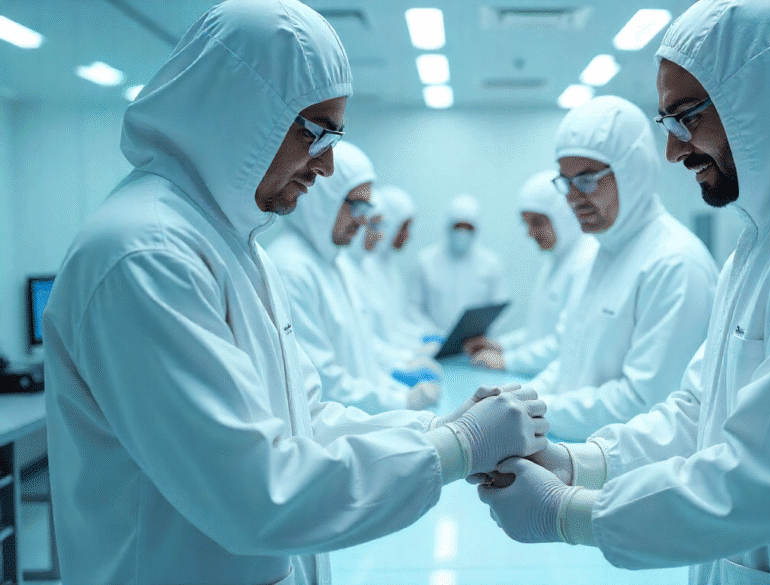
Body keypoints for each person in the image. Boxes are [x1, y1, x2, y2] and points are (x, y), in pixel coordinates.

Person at [41, 2, 549, 583]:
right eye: (315, 132)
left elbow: (303, 420)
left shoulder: (230, 243)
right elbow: (256, 493)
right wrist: (456, 447)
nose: (327, 165)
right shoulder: (146, 253)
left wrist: (438, 431)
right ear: (238, 110)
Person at [477, 1, 770, 583]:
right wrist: (578, 462)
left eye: (687, 117)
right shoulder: (764, 243)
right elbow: (699, 412)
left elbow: (768, 479)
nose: (675, 150)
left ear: (764, 98)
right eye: (667, 123)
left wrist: (572, 512)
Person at [523, 95, 719, 441]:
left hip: (626, 476)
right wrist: (517, 402)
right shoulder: (596, 257)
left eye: (586, 179)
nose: (571, 197)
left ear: (632, 172)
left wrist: (533, 416)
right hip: (573, 454)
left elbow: (646, 403)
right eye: (565, 181)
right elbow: (568, 362)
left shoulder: (675, 263)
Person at [267, 142, 439, 412]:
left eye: (366, 209)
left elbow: (362, 360)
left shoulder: (334, 263)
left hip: (360, 419)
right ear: (322, 197)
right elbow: (322, 381)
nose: (362, 221)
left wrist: (396, 389)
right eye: (356, 205)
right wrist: (400, 400)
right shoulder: (291, 269)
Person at [464, 170, 598, 376]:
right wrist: (500, 345)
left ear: (564, 214)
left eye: (536, 222)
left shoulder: (586, 261)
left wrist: (507, 361)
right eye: (526, 224)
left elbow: (565, 343)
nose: (529, 233)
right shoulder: (556, 260)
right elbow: (540, 332)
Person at [361, 184, 445, 351]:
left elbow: (396, 324)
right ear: (389, 223)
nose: (407, 235)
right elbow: (378, 336)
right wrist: (415, 351)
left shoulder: (388, 268)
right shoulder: (366, 268)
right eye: (404, 227)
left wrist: (425, 338)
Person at [411, 194, 510, 333]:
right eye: (457, 226)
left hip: (477, 347)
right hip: (434, 346)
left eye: (468, 227)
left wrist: (479, 336)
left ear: (477, 228)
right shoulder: (426, 261)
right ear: (447, 225)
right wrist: (433, 334)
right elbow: (415, 308)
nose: (462, 233)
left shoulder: (491, 263)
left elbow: (500, 309)